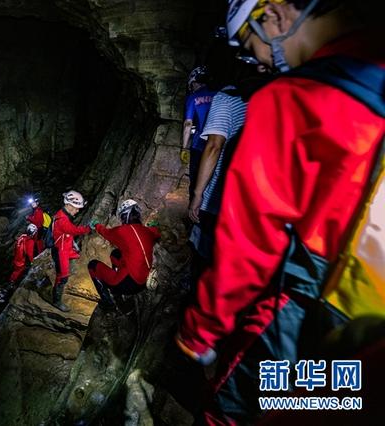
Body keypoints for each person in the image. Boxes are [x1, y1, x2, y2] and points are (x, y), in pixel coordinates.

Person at [175, 0, 384, 424]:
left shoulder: (294, 100)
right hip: (373, 314)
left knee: (238, 411)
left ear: (273, 15)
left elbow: (248, 245)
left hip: (316, 307)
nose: (261, 63)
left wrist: (199, 332)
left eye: (253, 48)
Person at [187, 84, 249, 286]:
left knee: (203, 254)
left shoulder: (227, 97)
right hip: (247, 201)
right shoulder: (276, 94)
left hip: (218, 196)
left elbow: (214, 145)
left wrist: (197, 194)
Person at [88, 200, 160, 308]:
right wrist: (154, 226)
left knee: (92, 265)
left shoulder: (122, 231)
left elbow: (105, 232)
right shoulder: (148, 231)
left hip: (129, 284)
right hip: (144, 281)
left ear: (125, 216)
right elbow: (156, 232)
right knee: (116, 254)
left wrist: (96, 225)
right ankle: (117, 283)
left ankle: (109, 302)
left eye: (122, 217)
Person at [51, 190, 93, 312]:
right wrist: (88, 229)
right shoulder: (62, 220)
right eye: (76, 208)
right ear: (68, 205)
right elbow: (73, 230)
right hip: (61, 251)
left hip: (65, 247)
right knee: (63, 276)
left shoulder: (62, 215)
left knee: (76, 256)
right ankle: (57, 301)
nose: (78, 210)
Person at [181, 66, 217, 204]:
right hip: (218, 145)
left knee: (196, 181)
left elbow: (188, 124)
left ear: (194, 82)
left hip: (199, 146)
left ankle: (194, 215)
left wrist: (184, 147)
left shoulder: (193, 97)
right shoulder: (219, 95)